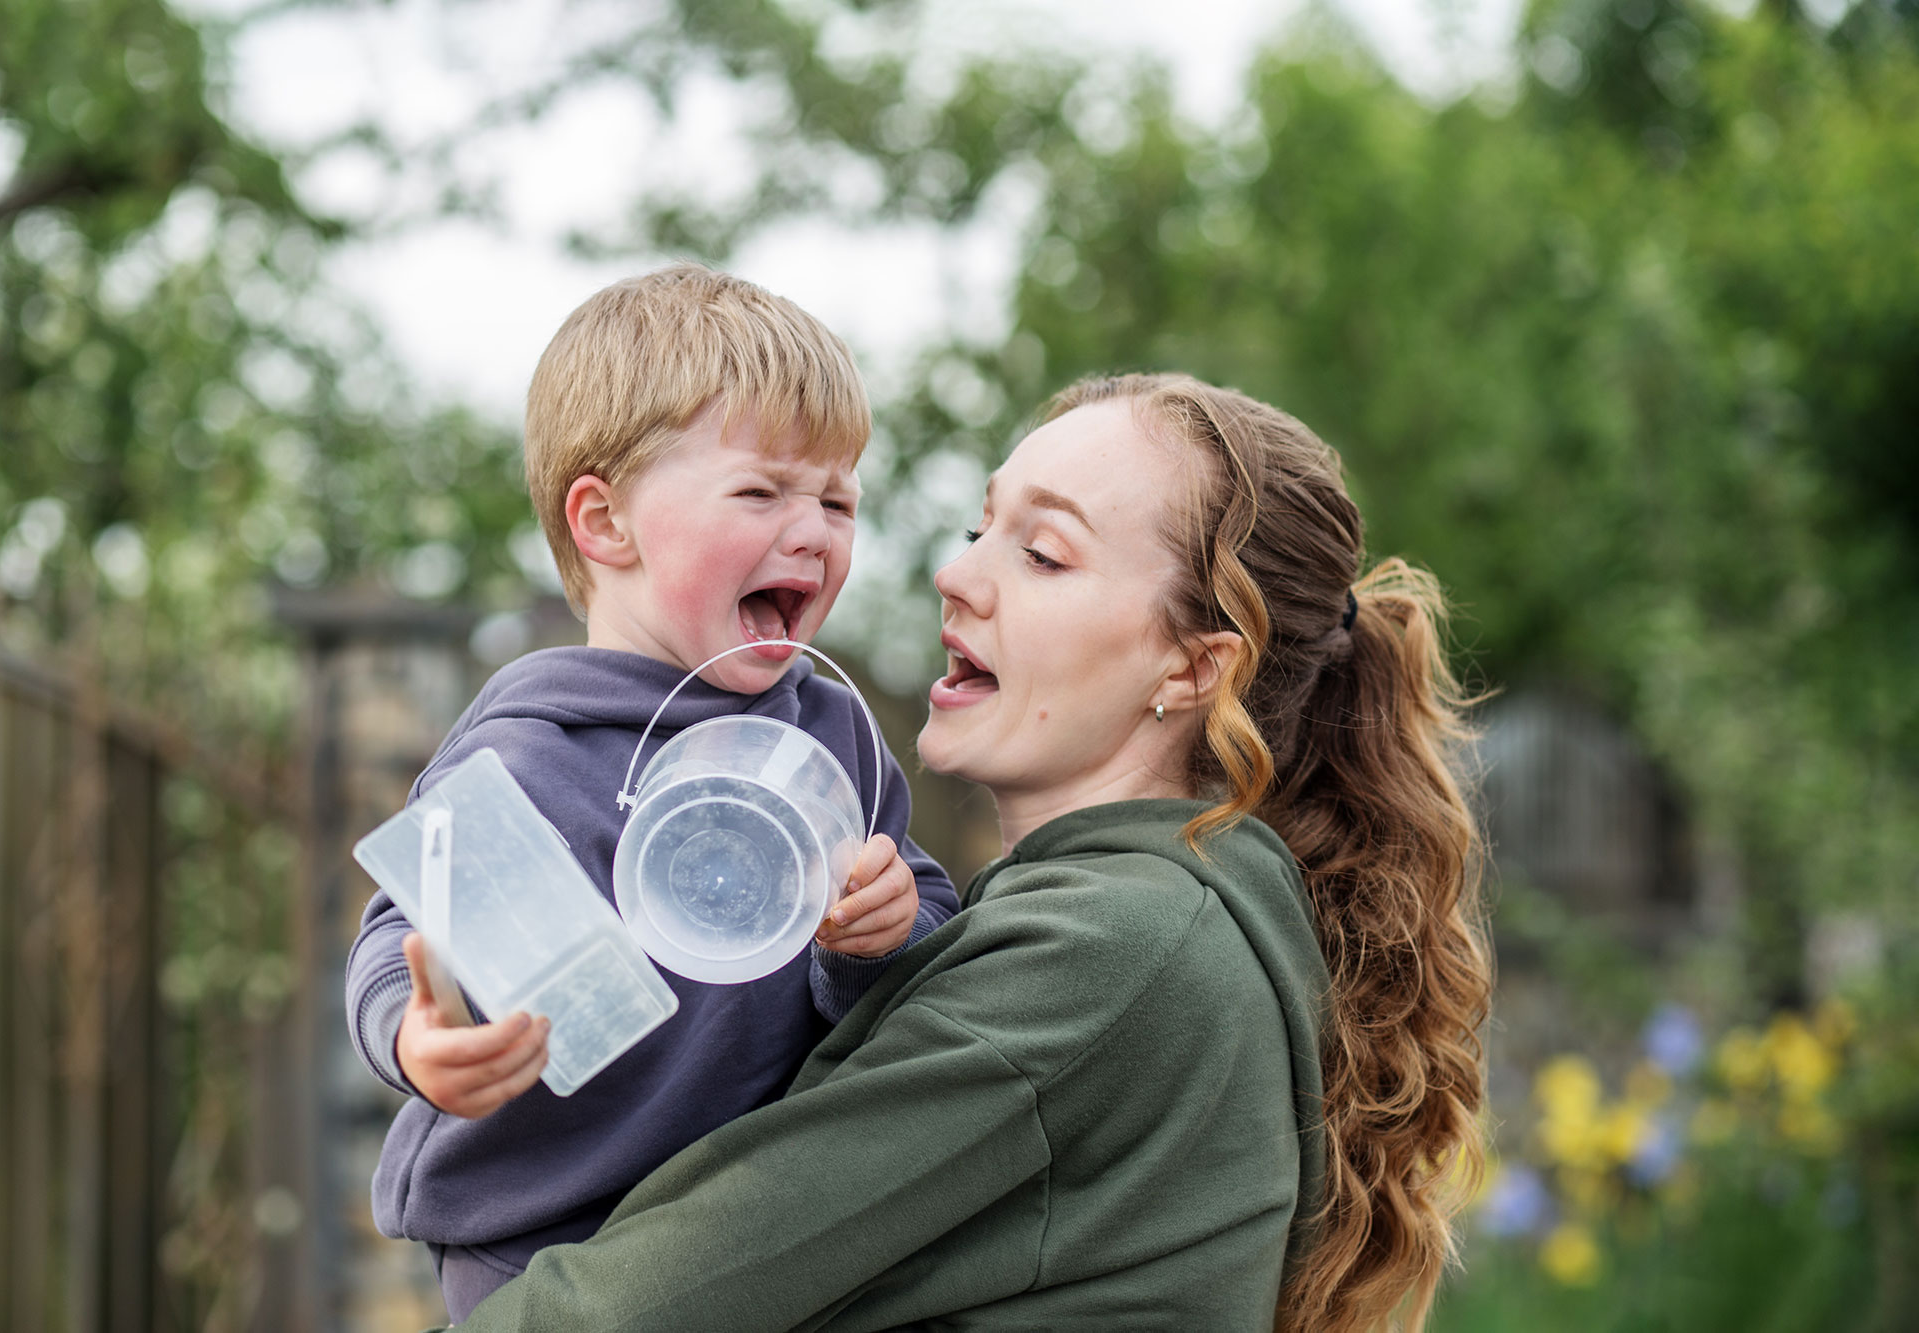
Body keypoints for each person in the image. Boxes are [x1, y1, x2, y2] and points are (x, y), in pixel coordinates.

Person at [434, 372, 1492, 1332]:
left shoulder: (1106, 953)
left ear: (1190, 666)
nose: (955, 573)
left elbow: (630, 1309)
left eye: (1040, 553)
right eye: (978, 528)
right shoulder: (1146, 921)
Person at [345, 264, 962, 1322]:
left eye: (837, 499)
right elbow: (398, 932)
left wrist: (881, 928)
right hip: (538, 1229)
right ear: (605, 522)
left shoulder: (829, 736)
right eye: (761, 491)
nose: (812, 530)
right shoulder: (534, 751)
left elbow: (907, 943)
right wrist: (418, 1039)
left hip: (739, 1231)